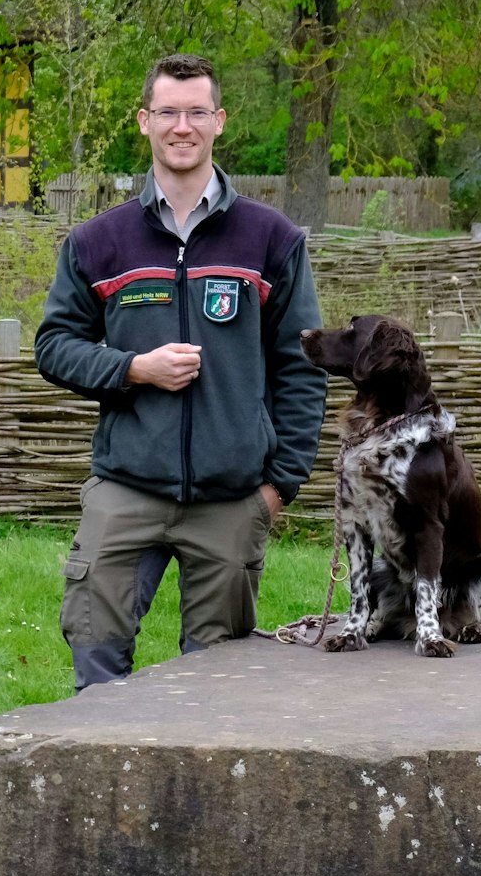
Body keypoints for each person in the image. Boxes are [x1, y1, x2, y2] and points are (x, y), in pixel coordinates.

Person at [35, 53, 326, 692]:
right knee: (97, 664)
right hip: (127, 489)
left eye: (197, 112)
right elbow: (54, 344)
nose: (182, 126)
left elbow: (301, 368)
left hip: (230, 498)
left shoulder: (271, 239)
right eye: (168, 111)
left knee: (213, 684)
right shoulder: (99, 242)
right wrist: (131, 368)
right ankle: (99, 785)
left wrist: (278, 487)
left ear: (219, 121)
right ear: (145, 121)